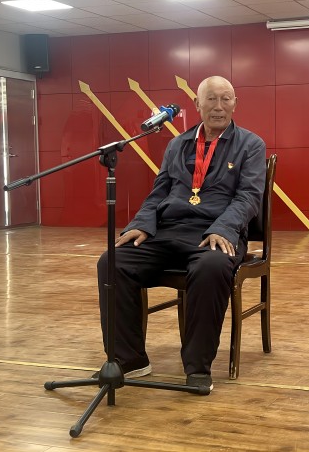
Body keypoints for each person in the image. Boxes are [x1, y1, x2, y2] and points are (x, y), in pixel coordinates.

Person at [97, 76, 266, 392]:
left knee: (212, 266)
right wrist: (140, 224)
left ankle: (197, 366)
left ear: (235, 104)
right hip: (169, 231)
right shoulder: (177, 145)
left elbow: (248, 197)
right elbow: (159, 192)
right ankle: (129, 360)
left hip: (216, 233)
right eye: (211, 99)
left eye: (226, 99)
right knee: (113, 261)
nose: (219, 106)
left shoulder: (250, 145)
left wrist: (223, 228)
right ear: (198, 104)